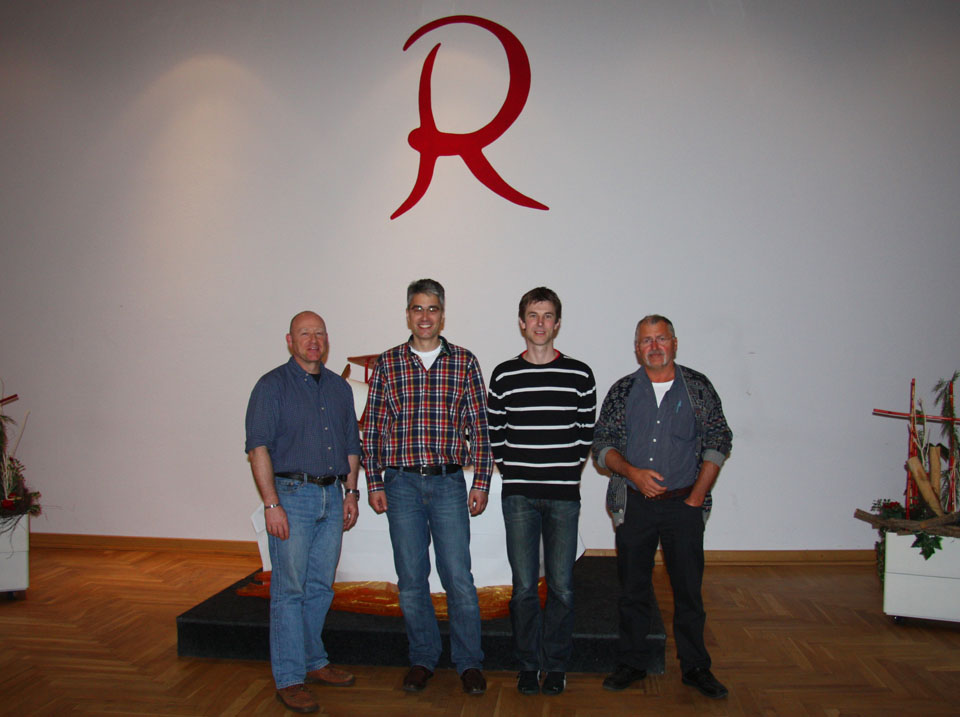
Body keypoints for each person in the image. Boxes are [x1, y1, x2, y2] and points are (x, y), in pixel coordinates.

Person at [363, 278, 493, 696]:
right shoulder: (388, 363)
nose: (425, 316)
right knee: (411, 578)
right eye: (417, 308)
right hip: (400, 484)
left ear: (442, 314)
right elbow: (374, 429)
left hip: (449, 483)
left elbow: (481, 428)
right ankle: (422, 658)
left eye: (432, 308)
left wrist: (482, 481)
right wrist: (373, 481)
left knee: (458, 577)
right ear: (407, 314)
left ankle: (469, 662)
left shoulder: (464, 362)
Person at [593, 314, 732, 699]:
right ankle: (632, 662)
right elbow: (602, 443)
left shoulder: (698, 388)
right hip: (634, 506)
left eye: (661, 339)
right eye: (646, 340)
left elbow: (719, 439)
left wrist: (696, 497)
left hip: (683, 506)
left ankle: (696, 667)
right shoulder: (623, 391)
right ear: (637, 348)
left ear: (674, 343)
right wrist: (632, 473)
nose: (654, 347)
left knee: (688, 592)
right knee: (633, 589)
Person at [245, 311, 362, 714]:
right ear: (290, 340)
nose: (313, 340)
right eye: (304, 333)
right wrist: (271, 503)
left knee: (320, 587)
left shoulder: (338, 388)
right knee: (289, 590)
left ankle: (314, 661)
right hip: (291, 497)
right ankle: (290, 678)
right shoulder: (271, 386)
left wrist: (351, 493)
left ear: (327, 340)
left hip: (332, 495)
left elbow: (351, 445)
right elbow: (257, 448)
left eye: (319, 333)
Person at [487, 287, 596, 696]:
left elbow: (585, 434)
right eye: (533, 315)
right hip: (518, 496)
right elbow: (496, 433)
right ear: (522, 322)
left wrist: (565, 470)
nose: (540, 323)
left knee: (562, 587)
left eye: (547, 316)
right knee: (523, 588)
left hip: (564, 496)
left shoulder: (580, 374)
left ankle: (556, 666)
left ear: (557, 323)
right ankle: (528, 665)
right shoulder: (503, 375)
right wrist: (515, 472)